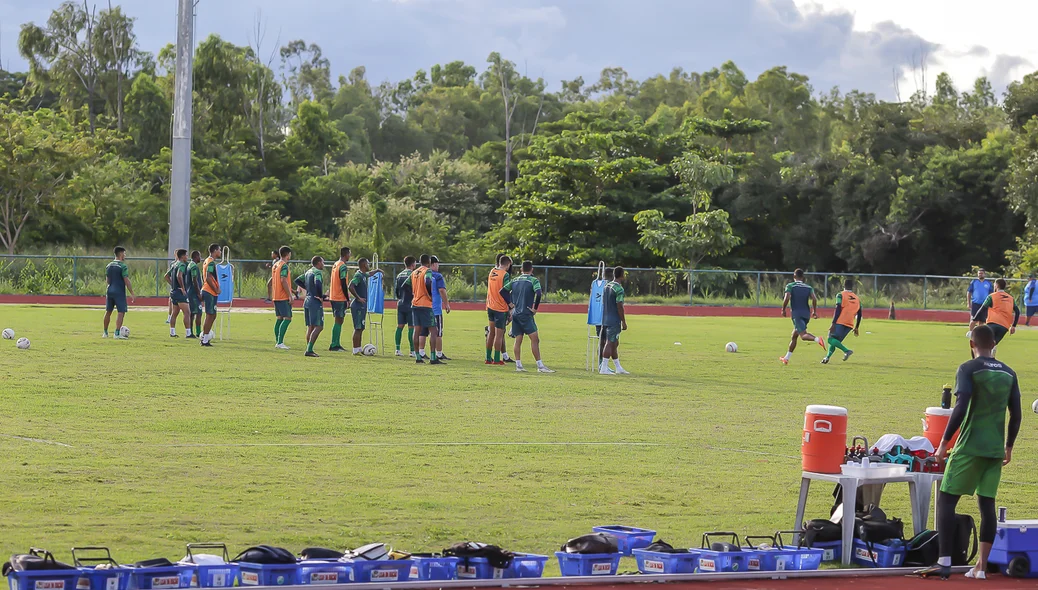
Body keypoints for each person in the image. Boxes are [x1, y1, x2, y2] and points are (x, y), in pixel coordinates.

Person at [917, 325, 1021, 580]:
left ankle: (943, 562)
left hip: (969, 447)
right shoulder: (1009, 373)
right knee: (987, 504)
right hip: (995, 450)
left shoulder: (968, 368)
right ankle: (981, 566)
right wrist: (1008, 446)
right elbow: (1016, 413)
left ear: (972, 345)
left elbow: (961, 405)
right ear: (994, 343)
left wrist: (943, 443)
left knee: (947, 499)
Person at [501, 260, 554, 373]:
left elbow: (502, 291)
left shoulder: (515, 280)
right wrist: (535, 308)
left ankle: (519, 365)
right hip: (526, 314)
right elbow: (539, 293)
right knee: (535, 339)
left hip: (516, 313)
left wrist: (510, 304)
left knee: (518, 340)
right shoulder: (533, 280)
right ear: (532, 269)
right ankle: (540, 366)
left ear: (521, 269)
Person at [779, 268, 825, 365]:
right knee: (794, 335)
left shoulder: (790, 286)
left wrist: (783, 309)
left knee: (803, 335)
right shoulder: (808, 287)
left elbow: (787, 297)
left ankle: (818, 339)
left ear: (794, 276)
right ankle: (786, 358)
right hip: (806, 314)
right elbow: (814, 299)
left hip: (797, 314)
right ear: (802, 277)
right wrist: (814, 311)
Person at [406, 254, 442, 365]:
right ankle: (432, 357)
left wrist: (414, 294)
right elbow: (427, 282)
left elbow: (405, 284)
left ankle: (418, 357)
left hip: (415, 304)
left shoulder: (414, 272)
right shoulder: (428, 271)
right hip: (425, 305)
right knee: (433, 330)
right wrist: (430, 294)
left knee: (417, 330)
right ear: (429, 262)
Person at [971, 278, 1019, 356]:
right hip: (1004, 327)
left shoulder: (992, 296)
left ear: (996, 286)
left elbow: (982, 309)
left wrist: (974, 318)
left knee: (979, 343)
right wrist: (1013, 325)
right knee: (991, 344)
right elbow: (1017, 311)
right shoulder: (1011, 298)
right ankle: (991, 355)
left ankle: (975, 362)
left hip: (992, 323)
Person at [348, 258, 383, 355]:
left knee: (361, 327)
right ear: (364, 264)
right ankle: (355, 350)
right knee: (358, 328)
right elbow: (350, 286)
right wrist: (358, 297)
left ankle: (359, 349)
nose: (369, 265)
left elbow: (370, 274)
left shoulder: (363, 275)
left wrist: (377, 270)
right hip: (358, 305)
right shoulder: (358, 275)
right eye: (368, 264)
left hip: (362, 306)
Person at [822, 279, 862, 364]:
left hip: (840, 321)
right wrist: (857, 327)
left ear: (843, 286)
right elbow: (860, 313)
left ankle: (847, 351)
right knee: (835, 342)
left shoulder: (840, 295)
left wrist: (833, 323)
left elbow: (838, 309)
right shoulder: (857, 298)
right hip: (850, 324)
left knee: (830, 339)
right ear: (853, 287)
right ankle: (827, 358)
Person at [294, 256, 326, 358]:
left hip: (307, 300)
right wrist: (320, 296)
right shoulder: (317, 272)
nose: (323, 264)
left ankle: (309, 348)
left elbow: (298, 280)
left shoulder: (308, 272)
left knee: (310, 326)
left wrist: (308, 288)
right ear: (319, 263)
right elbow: (318, 283)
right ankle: (309, 349)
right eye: (323, 262)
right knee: (319, 326)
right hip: (314, 301)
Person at [599, 266, 629, 375]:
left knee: (614, 343)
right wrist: (623, 321)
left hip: (605, 318)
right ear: (622, 275)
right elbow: (619, 306)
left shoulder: (607, 286)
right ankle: (604, 368)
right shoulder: (619, 289)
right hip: (613, 319)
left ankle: (618, 367)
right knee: (610, 342)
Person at [103, 246, 136, 339]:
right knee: (121, 312)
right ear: (121, 254)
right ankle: (117, 333)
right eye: (124, 253)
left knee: (108, 311)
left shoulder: (108, 265)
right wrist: (132, 293)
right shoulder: (123, 266)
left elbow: (107, 280)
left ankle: (105, 332)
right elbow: (126, 280)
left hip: (109, 290)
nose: (125, 255)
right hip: (119, 291)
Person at [485, 255, 512, 365]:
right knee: (499, 335)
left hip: (490, 306)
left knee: (491, 333)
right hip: (500, 308)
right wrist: (510, 304)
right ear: (508, 264)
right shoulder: (505, 275)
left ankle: (488, 358)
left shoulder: (492, 271)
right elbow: (506, 290)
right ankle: (496, 359)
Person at [423, 256, 450, 361]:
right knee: (437, 332)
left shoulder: (423, 274)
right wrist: (447, 303)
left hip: (424, 306)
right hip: (435, 309)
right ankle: (438, 353)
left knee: (422, 332)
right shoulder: (437, 276)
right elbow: (442, 290)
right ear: (434, 264)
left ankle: (421, 352)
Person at [328, 247, 352, 352]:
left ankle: (336, 343)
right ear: (346, 254)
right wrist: (347, 298)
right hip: (339, 297)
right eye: (349, 254)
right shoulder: (342, 266)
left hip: (333, 296)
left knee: (339, 320)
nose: (350, 256)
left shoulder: (335, 264)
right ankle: (334, 344)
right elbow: (343, 282)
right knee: (339, 320)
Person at [272, 246, 295, 350]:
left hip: (276, 295)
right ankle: (280, 342)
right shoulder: (284, 266)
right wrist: (290, 295)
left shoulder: (275, 264)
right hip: (282, 296)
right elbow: (283, 280)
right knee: (287, 318)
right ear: (288, 254)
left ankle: (278, 341)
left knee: (279, 319)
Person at [394, 256, 417, 357]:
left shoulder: (399, 275)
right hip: (410, 303)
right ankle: (412, 351)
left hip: (400, 303)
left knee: (400, 326)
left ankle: (397, 349)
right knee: (411, 327)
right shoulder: (412, 275)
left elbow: (396, 291)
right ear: (413, 264)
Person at [199, 243, 221, 347]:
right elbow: (208, 277)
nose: (220, 252)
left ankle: (205, 337)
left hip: (207, 290)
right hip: (209, 291)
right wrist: (216, 288)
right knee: (210, 315)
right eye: (219, 250)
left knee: (213, 314)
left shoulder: (207, 261)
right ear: (215, 251)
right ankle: (204, 339)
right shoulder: (211, 262)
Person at [168, 249, 192, 338]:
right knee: (187, 312)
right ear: (182, 256)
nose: (187, 257)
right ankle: (188, 333)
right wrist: (182, 287)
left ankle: (172, 332)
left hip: (174, 291)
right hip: (179, 292)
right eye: (186, 255)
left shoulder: (174, 264)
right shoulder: (181, 264)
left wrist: (173, 285)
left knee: (175, 312)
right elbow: (179, 275)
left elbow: (166, 276)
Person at [967, 268, 994, 333]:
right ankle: (970, 332)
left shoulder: (988, 283)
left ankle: (979, 333)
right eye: (979, 273)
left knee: (982, 320)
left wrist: (991, 303)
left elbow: (991, 294)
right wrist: (968, 302)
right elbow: (969, 292)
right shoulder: (974, 282)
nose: (980, 275)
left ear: (984, 274)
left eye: (981, 273)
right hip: (975, 303)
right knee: (974, 319)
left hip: (985, 304)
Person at [186, 250, 203, 339]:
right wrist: (199, 293)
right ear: (196, 257)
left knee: (192, 313)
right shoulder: (194, 267)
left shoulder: (189, 265)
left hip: (190, 293)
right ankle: (198, 332)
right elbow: (194, 280)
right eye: (199, 256)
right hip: (194, 294)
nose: (200, 258)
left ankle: (190, 332)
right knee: (198, 313)